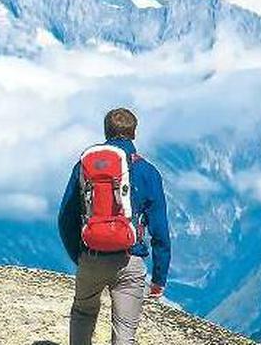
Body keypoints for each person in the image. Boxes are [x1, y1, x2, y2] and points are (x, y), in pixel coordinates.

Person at [58, 107, 172, 345]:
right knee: (124, 332)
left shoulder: (84, 168)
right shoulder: (148, 172)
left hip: (92, 256)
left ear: (106, 132)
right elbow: (160, 230)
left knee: (83, 313)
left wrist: (80, 255)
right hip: (130, 259)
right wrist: (159, 279)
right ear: (134, 133)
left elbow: (65, 218)